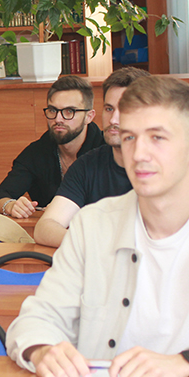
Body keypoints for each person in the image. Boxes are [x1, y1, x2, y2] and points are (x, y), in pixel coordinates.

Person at [7, 76, 189, 377]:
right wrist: (42, 350)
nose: (139, 153)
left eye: (157, 137)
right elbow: (36, 319)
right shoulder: (91, 225)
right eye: (130, 137)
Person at [35, 67, 150, 247]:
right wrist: (93, 245)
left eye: (125, 109)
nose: (113, 120)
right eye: (109, 109)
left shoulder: (166, 167)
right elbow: (45, 228)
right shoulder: (86, 166)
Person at [0, 75, 103, 218]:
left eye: (69, 111)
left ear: (89, 116)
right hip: (48, 231)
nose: (58, 119)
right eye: (53, 110)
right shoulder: (38, 152)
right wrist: (10, 206)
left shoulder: (109, 150)